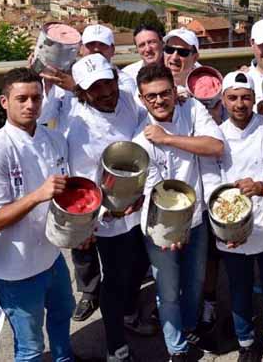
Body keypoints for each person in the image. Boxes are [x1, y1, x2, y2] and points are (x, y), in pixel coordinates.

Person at [0, 68, 75, 362]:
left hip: (51, 256)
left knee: (62, 314)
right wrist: (37, 195)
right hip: (14, 268)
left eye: (36, 98)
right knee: (29, 346)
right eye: (22, 99)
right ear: (4, 102)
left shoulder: (54, 139)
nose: (30, 105)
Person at [57, 54, 152, 361]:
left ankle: (129, 314)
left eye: (107, 82)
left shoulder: (126, 99)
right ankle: (116, 345)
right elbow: (83, 187)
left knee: (138, 267)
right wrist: (91, 223)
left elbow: (146, 117)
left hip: (141, 205)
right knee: (116, 277)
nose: (105, 92)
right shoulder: (78, 129)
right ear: (82, 93)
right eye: (95, 88)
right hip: (111, 215)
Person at [133, 64, 224, 362]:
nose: (159, 101)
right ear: (142, 99)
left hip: (195, 219)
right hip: (161, 225)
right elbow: (151, 193)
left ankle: (188, 326)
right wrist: (170, 230)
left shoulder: (192, 109)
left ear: (175, 91)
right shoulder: (139, 141)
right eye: (151, 97)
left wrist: (168, 138)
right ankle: (177, 348)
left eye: (164, 93)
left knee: (195, 281)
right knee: (168, 288)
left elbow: (214, 145)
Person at [203, 70, 263, 362]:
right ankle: (246, 342)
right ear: (223, 101)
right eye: (233, 98)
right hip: (230, 227)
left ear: (254, 99)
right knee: (239, 292)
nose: (240, 103)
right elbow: (210, 184)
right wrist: (227, 224)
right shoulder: (215, 136)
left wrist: (260, 187)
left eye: (245, 97)